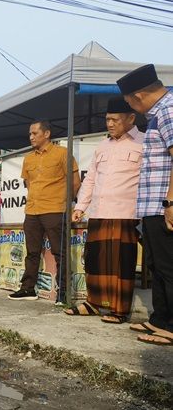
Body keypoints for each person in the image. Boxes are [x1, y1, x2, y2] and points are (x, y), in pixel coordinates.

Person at [66, 97, 144, 323]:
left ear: (131, 118)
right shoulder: (103, 146)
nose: (110, 124)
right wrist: (80, 207)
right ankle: (94, 303)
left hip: (126, 213)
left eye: (115, 120)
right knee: (95, 261)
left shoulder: (144, 143)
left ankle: (119, 310)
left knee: (122, 263)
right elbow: (90, 180)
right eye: (107, 119)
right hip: (99, 212)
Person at [117, 64, 173, 345]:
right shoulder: (157, 114)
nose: (131, 107)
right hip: (153, 206)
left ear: (137, 97)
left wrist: (171, 201)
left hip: (165, 204)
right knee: (157, 265)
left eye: (128, 102)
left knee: (169, 265)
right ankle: (160, 319)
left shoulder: (169, 110)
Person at [8, 120, 81, 305]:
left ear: (47, 134)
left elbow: (75, 182)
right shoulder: (28, 158)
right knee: (32, 252)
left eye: (34, 133)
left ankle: (63, 294)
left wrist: (66, 203)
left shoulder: (62, 153)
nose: (31, 137)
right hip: (32, 210)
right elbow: (29, 183)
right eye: (30, 134)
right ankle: (27, 288)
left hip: (56, 209)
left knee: (60, 252)